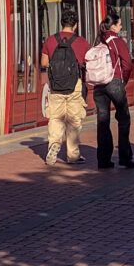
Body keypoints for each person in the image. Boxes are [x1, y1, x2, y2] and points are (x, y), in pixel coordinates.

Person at [40, 9, 90, 165]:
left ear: (62, 23)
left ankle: (54, 144)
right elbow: (87, 63)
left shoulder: (50, 40)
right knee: (74, 120)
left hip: (56, 86)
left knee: (55, 117)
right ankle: (73, 155)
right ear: (75, 25)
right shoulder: (81, 42)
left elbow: (44, 63)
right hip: (74, 85)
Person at [89, 13, 134, 170]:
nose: (121, 27)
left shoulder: (98, 40)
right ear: (113, 26)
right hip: (114, 82)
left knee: (103, 121)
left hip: (99, 85)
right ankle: (125, 156)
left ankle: (103, 159)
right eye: (120, 24)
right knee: (123, 119)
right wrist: (123, 80)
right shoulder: (116, 40)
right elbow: (127, 63)